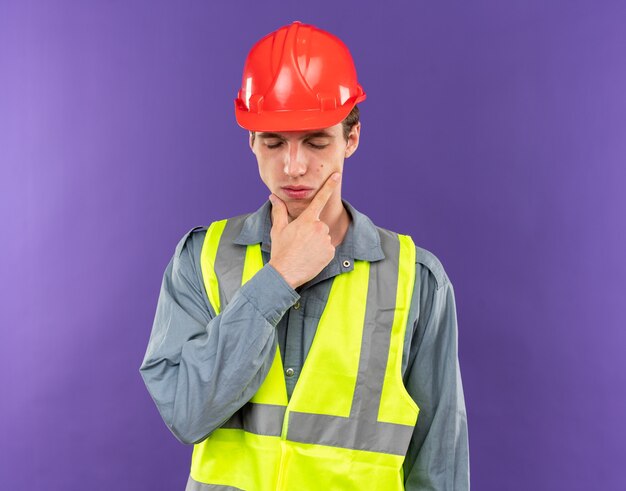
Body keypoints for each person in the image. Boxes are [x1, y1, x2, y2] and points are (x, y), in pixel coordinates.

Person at [140, 20, 469, 490]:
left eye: (316, 141)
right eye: (274, 142)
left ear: (350, 139)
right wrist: (279, 277)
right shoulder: (202, 258)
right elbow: (188, 415)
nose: (294, 166)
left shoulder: (418, 279)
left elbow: (439, 462)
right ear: (251, 140)